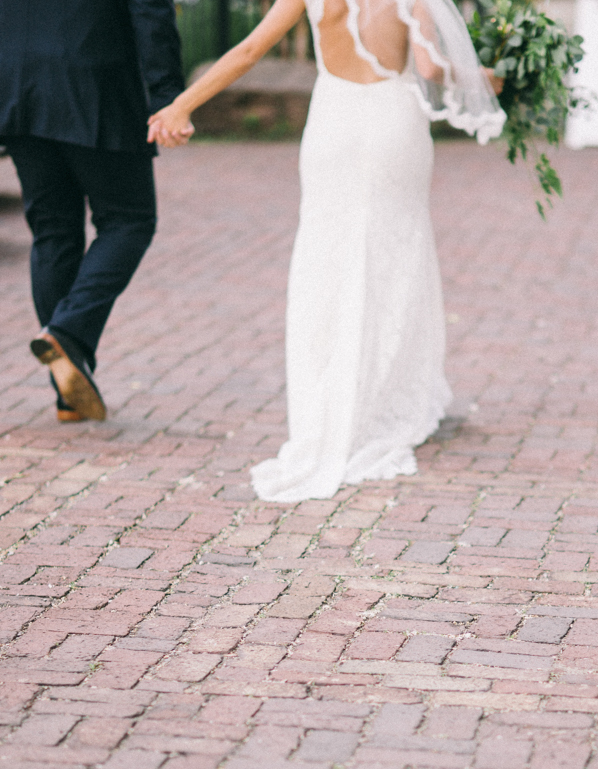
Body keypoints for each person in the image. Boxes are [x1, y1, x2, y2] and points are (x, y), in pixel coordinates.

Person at [149, 0, 504, 502]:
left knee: (324, 260)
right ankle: (380, 399)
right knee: (395, 256)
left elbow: (249, 49)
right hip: (391, 128)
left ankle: (325, 404)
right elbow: (430, 69)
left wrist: (181, 105)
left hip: (332, 128)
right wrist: (484, 77)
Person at [0, 0, 184, 423]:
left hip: (16, 84)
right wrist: (168, 96)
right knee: (130, 220)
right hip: (93, 80)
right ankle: (66, 335)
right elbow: (151, 13)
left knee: (53, 232)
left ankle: (68, 389)